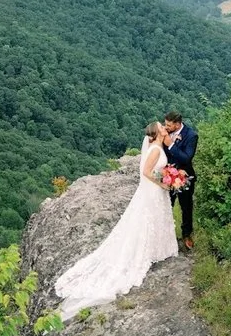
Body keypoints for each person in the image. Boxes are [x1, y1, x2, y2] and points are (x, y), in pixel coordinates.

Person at [54, 122, 178, 321]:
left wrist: (168, 177)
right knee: (148, 221)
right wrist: (162, 184)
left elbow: (163, 158)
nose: (165, 128)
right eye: (162, 128)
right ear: (156, 134)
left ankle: (157, 248)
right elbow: (146, 172)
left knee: (154, 220)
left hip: (155, 191)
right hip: (153, 190)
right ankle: (147, 250)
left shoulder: (159, 145)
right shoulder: (155, 149)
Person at [163, 111, 198, 250]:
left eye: (169, 125)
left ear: (177, 124)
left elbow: (186, 157)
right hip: (166, 176)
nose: (166, 127)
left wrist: (171, 145)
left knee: (186, 207)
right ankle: (166, 235)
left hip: (185, 176)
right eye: (165, 124)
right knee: (166, 205)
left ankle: (186, 234)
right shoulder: (164, 132)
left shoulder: (191, 135)